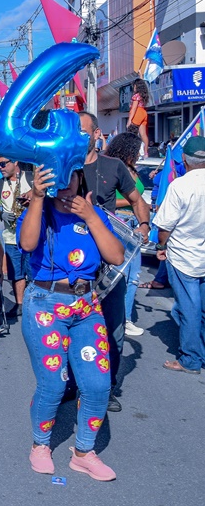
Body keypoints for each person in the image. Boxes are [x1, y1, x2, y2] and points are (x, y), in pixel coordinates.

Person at [18, 165, 123, 481]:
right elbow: (27, 244)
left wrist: (91, 217)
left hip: (87, 306)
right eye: (58, 177)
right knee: (53, 383)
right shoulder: (40, 210)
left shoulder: (94, 213)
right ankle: (40, 445)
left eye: (71, 176)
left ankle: (83, 453)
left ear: (80, 179)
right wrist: (38, 197)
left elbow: (117, 256)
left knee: (98, 385)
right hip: (45, 305)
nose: (65, 184)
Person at [78, 112, 150, 411]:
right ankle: (73, 383)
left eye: (84, 131)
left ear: (97, 134)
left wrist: (143, 225)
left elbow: (137, 200)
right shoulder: (64, 165)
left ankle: (107, 388)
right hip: (73, 263)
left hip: (109, 262)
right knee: (73, 327)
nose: (79, 137)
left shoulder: (113, 166)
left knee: (112, 327)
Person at [153, 136, 205, 375]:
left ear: (184, 159)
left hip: (184, 257)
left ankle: (190, 359)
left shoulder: (180, 186)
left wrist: (161, 246)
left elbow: (165, 226)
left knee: (189, 309)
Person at [104, 133, 146, 337]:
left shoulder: (133, 170)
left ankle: (125, 318)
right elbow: (109, 199)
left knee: (134, 276)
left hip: (134, 224)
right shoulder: (113, 168)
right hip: (119, 222)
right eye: (137, 150)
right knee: (118, 273)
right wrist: (132, 201)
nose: (139, 154)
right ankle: (117, 318)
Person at [0, 156, 32, 315]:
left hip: (31, 234)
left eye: (3, 164)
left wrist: (32, 194)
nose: (0, 168)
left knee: (33, 271)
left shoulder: (30, 178)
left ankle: (34, 305)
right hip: (11, 236)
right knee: (16, 273)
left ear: (15, 162)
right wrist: (2, 214)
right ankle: (19, 304)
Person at [128, 80, 149, 158]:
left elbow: (134, 108)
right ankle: (146, 152)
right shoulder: (143, 95)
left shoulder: (136, 96)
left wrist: (129, 120)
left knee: (132, 133)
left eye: (134, 86)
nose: (133, 87)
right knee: (143, 134)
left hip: (137, 112)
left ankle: (135, 152)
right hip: (143, 113)